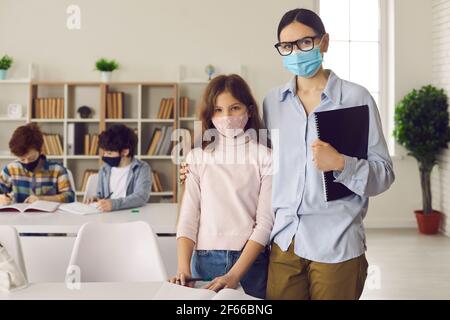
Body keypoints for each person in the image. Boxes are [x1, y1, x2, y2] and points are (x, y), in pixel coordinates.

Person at [261, 8, 395, 300]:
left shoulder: (356, 98)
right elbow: (260, 164)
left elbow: (384, 174)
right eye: (287, 46)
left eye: (305, 43)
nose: (296, 52)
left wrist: (342, 164)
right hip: (285, 241)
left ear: (324, 42)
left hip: (337, 242)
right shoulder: (272, 103)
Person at [170, 74, 274, 299]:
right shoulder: (197, 157)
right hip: (204, 259)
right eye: (218, 110)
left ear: (249, 109)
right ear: (209, 114)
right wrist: (183, 269)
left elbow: (265, 222)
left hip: (250, 262)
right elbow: (188, 218)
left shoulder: (265, 157)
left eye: (234, 108)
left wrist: (235, 274)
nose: (226, 117)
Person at [0, 123, 74, 205]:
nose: (27, 162)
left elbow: (69, 197)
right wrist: (1, 199)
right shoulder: (10, 169)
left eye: (31, 158)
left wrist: (41, 199)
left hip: (49, 217)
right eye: (22, 159)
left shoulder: (58, 170)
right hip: (18, 217)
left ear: (40, 150)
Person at [85, 124, 151, 212]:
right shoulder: (104, 169)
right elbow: (101, 195)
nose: (104, 156)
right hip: (107, 215)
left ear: (125, 152)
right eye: (104, 152)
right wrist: (96, 200)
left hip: (131, 214)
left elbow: (141, 197)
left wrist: (114, 204)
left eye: (109, 153)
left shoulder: (141, 168)